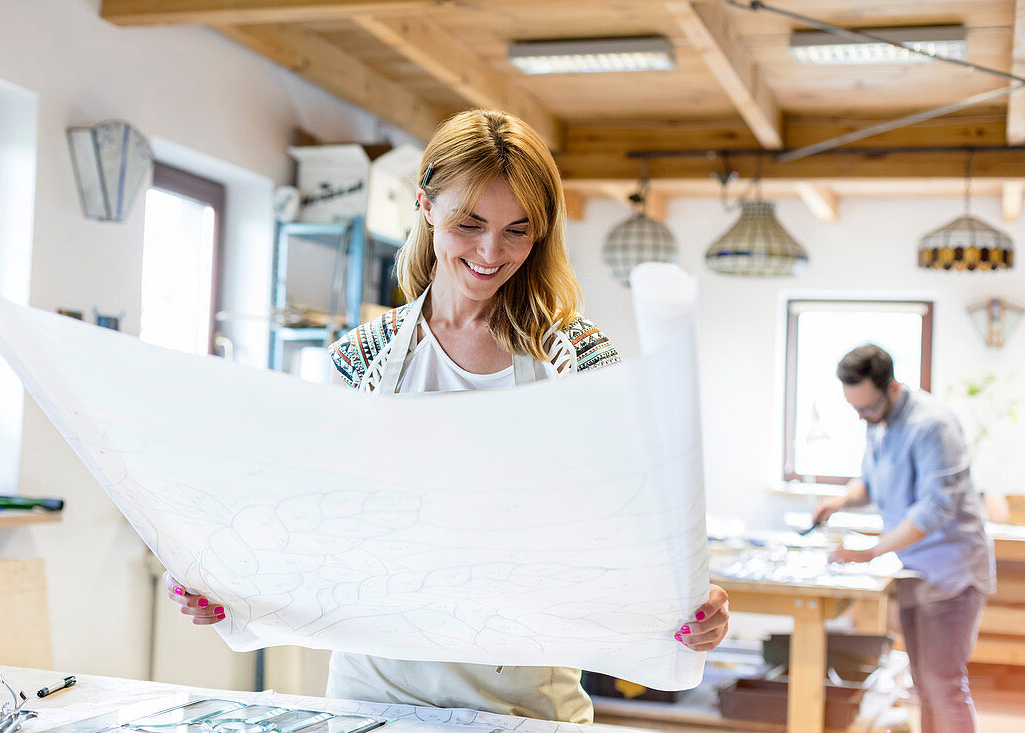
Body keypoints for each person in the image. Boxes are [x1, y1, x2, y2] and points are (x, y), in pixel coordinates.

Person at [166, 108, 729, 723]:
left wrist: (686, 602)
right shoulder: (362, 361)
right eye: (471, 223)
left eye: (519, 230)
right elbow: (309, 520)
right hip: (375, 694)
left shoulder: (575, 360)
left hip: (523, 701)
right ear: (426, 206)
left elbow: (631, 522)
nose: (492, 252)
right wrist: (226, 583)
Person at [813, 344, 993, 733]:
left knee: (943, 684)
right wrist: (841, 500)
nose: (862, 417)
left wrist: (873, 550)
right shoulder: (879, 425)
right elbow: (871, 486)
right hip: (913, 569)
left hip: (951, 573)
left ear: (891, 387)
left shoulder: (933, 425)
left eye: (868, 407)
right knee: (923, 685)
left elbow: (935, 508)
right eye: (855, 409)